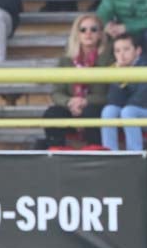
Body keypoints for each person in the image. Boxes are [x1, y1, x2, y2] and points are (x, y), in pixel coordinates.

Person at [41, 12, 114, 149]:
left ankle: (95, 150)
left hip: (96, 107)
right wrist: (69, 102)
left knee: (90, 112)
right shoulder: (65, 60)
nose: (88, 33)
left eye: (93, 29)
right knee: (52, 113)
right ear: (77, 34)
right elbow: (57, 92)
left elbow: (111, 95)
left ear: (100, 34)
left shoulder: (110, 59)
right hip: (71, 107)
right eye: (83, 30)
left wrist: (86, 101)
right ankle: (57, 151)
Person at [100, 33, 147, 151]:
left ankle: (135, 155)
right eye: (117, 51)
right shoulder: (116, 68)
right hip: (130, 115)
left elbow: (141, 100)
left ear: (138, 51)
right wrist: (119, 75)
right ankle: (110, 154)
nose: (122, 54)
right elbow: (114, 101)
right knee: (108, 111)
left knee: (128, 111)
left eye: (126, 49)